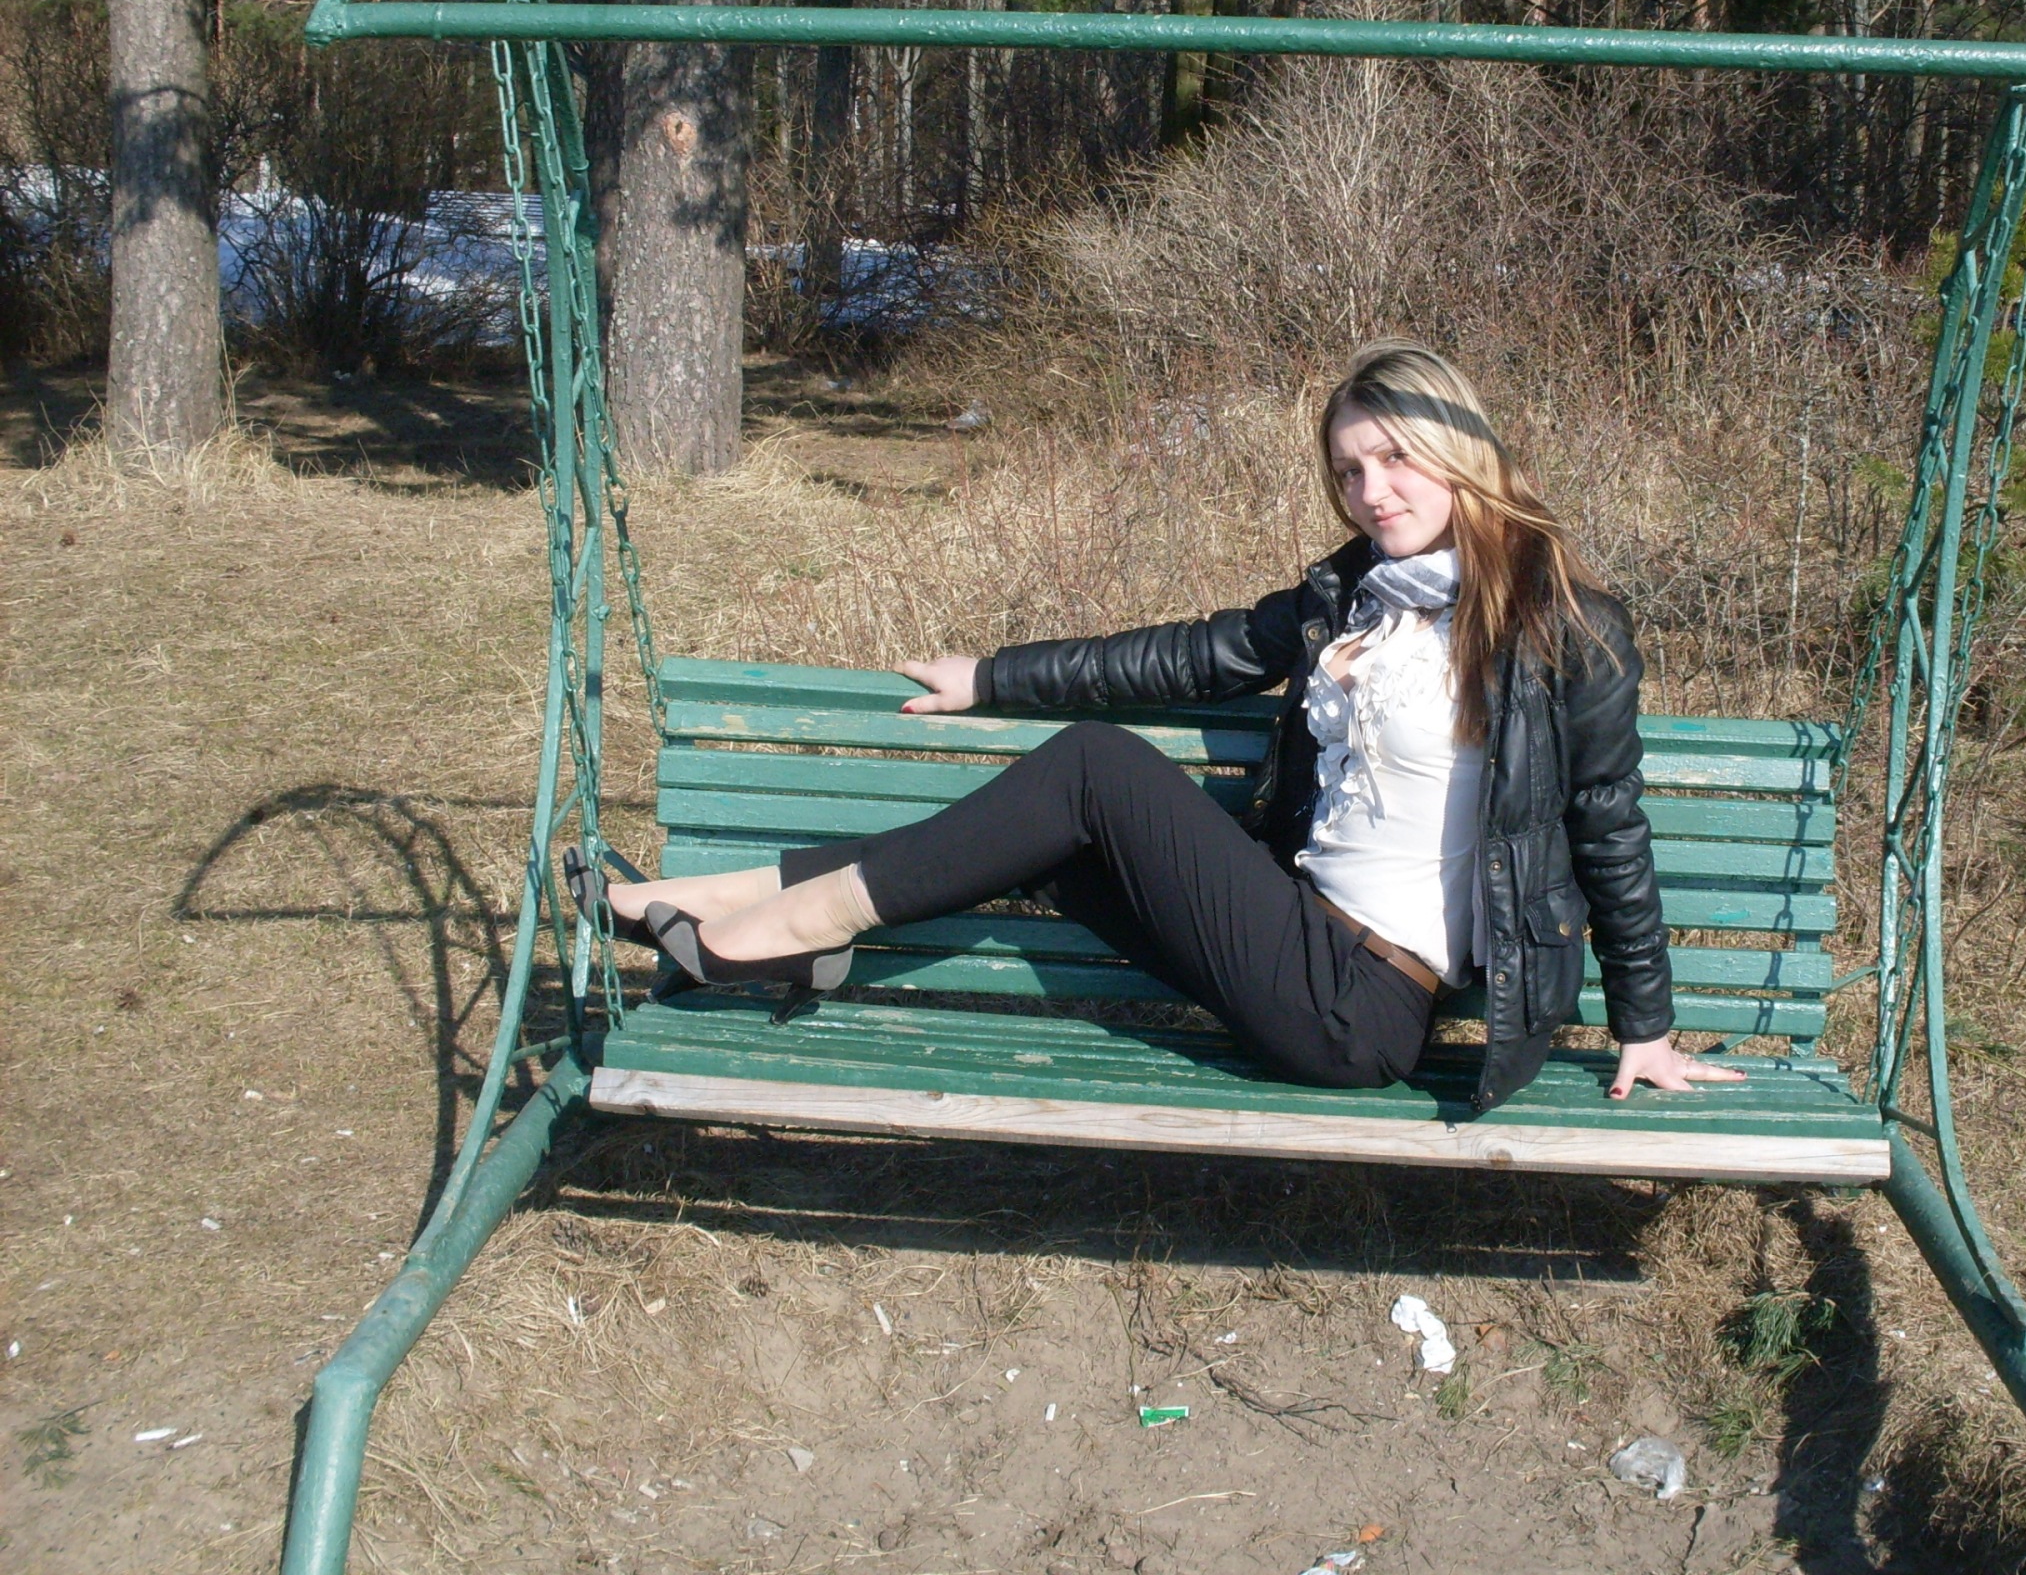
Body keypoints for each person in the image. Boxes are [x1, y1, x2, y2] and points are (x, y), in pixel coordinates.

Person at [572, 341, 1737, 1115]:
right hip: (1294, 932)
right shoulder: (1352, 596)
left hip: (1357, 1001)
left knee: (1094, 767)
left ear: (1459, 452)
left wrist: (1645, 1026)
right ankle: (721, 902)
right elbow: (1192, 653)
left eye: (1394, 459)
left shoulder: (1557, 620)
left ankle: (771, 933)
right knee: (1042, 837)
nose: (1371, 492)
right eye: (1348, 471)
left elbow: (1605, 820)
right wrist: (992, 677)